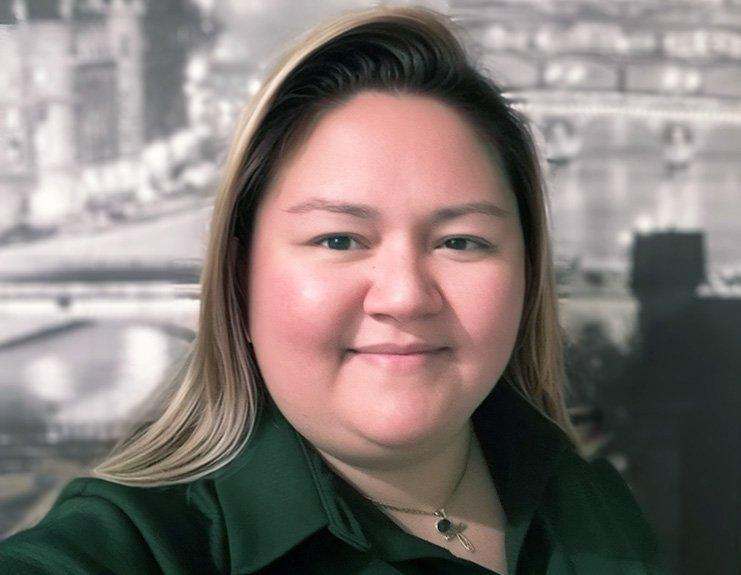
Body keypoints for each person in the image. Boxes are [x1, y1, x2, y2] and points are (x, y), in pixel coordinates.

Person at [0, 6, 667, 574]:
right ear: (239, 280)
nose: (404, 296)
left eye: (461, 241)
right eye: (339, 239)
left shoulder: (591, 501)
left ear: (526, 275)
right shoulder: (138, 545)